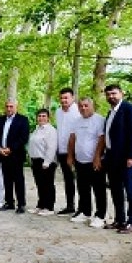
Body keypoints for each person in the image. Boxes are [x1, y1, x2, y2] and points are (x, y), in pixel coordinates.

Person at [98, 84, 132, 234]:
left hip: (127, 158)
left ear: (121, 93)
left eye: (114, 93)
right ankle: (120, 220)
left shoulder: (130, 109)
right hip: (112, 157)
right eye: (108, 94)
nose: (111, 96)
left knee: (130, 190)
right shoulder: (110, 112)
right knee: (116, 190)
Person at [68, 98, 107, 227]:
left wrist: (97, 157)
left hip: (95, 161)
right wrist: (70, 156)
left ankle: (100, 216)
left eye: (86, 105)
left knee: (99, 189)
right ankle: (85, 212)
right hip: (80, 161)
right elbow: (72, 138)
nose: (83, 108)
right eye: (81, 106)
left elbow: (102, 139)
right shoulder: (76, 121)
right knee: (83, 188)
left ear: (92, 106)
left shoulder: (99, 120)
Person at [0, 99, 30, 214]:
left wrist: (10, 148)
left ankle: (21, 204)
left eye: (11, 106)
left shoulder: (23, 120)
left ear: (16, 107)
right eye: (7, 106)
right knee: (7, 179)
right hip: (3, 154)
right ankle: (9, 202)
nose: (9, 109)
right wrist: (0, 149)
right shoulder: (1, 120)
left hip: (16, 155)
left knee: (18, 180)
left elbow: (24, 138)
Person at [55, 88, 80, 216]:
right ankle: (70, 205)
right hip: (62, 150)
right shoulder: (58, 111)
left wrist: (72, 153)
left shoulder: (78, 111)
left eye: (66, 98)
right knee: (68, 179)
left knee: (81, 180)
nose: (63, 100)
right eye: (61, 98)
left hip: (76, 151)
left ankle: (83, 208)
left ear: (72, 98)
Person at [28, 109, 57, 216]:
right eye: (39, 116)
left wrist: (47, 162)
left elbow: (52, 147)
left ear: (48, 118)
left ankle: (49, 207)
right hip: (36, 161)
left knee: (48, 184)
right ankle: (41, 205)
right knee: (40, 184)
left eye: (44, 116)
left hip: (46, 161)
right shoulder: (37, 129)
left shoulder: (51, 130)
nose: (41, 118)